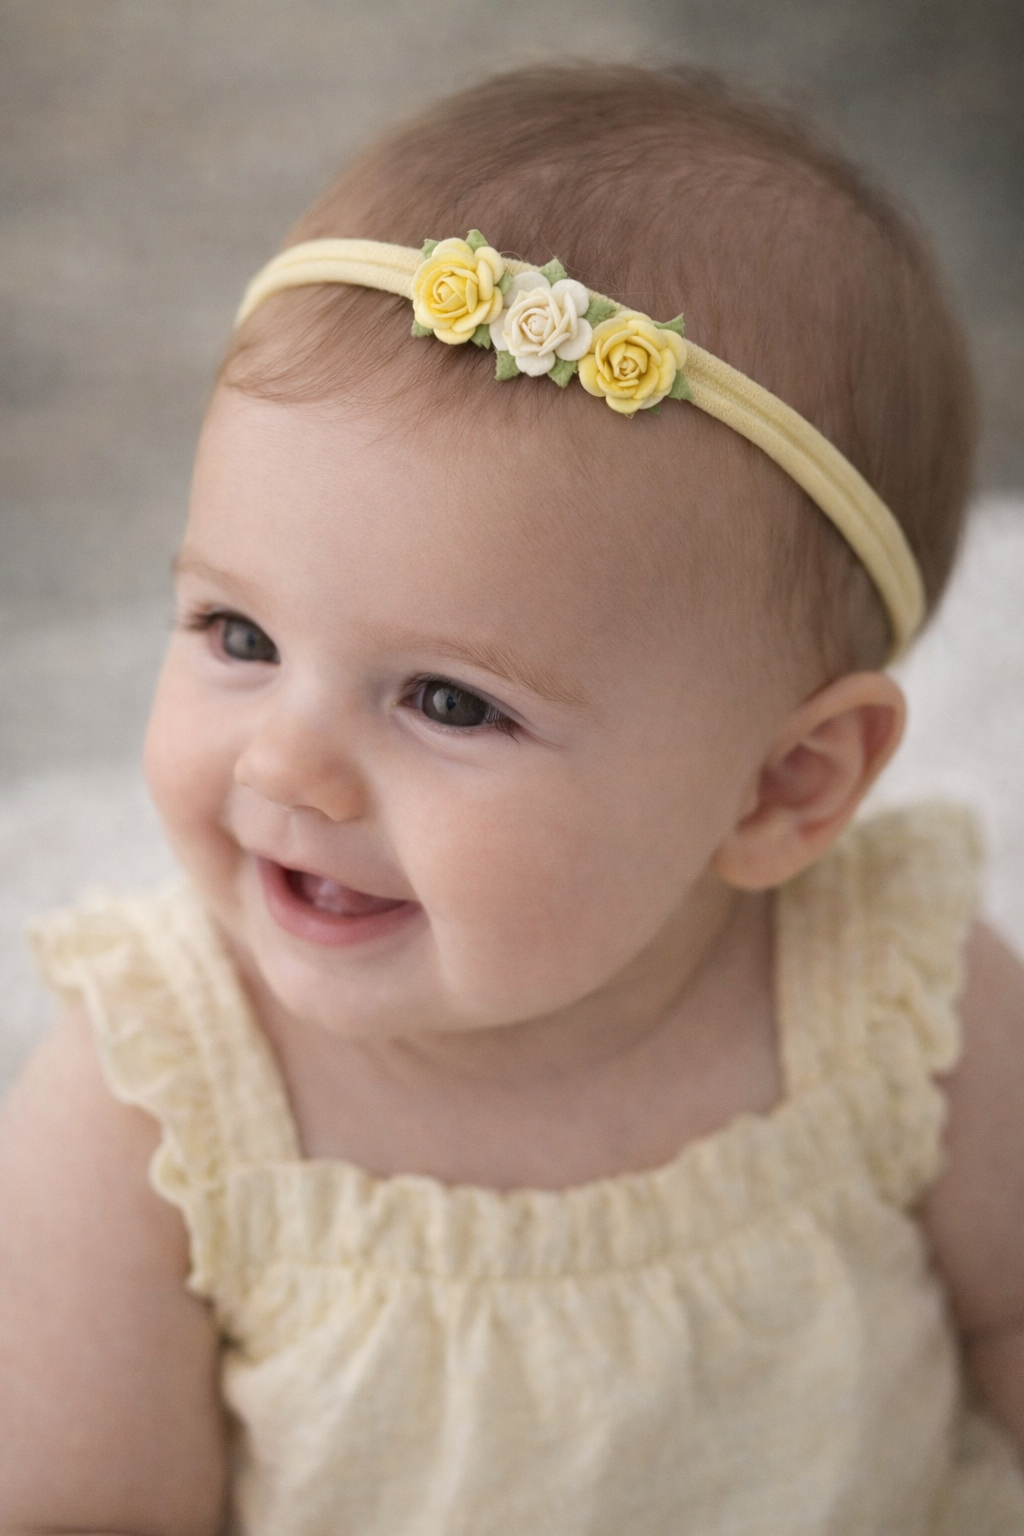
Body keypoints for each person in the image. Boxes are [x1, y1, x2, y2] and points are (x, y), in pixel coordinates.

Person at [0, 63, 1022, 1536]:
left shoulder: (899, 1004)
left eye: (450, 701)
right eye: (238, 635)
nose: (285, 767)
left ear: (784, 786)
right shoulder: (153, 1105)